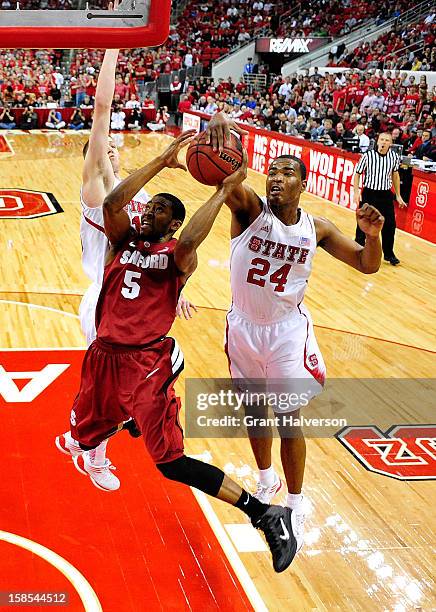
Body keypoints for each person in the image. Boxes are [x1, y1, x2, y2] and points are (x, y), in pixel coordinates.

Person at [57, 132, 298, 574]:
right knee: (82, 436)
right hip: (103, 358)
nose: (148, 212)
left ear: (172, 225)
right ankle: (119, 424)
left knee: (169, 463)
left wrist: (224, 190)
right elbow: (113, 204)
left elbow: (190, 242)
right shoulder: (120, 242)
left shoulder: (176, 257)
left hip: (147, 365)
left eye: (160, 211)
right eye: (148, 208)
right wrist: (162, 159)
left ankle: (263, 512)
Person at [206, 111, 385, 555]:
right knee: (253, 410)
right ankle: (265, 480)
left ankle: (296, 501)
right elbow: (227, 176)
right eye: (272, 171)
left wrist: (374, 235)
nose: (276, 178)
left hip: (287, 331)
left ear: (303, 184)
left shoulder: (317, 228)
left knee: (288, 419)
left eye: (287, 172)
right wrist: (221, 129)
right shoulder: (249, 210)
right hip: (243, 326)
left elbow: (367, 264)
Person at [55, 49, 194, 492]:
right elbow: (101, 110)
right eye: (102, 147)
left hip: (133, 299)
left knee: (145, 376)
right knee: (111, 392)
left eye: (114, 145)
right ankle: (92, 453)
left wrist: (175, 285)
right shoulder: (95, 192)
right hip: (102, 300)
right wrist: (113, 47)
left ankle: (96, 436)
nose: (109, 147)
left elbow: (157, 246)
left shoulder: (141, 192)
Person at [353, 132, 407, 266]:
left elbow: (395, 175)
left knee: (390, 225)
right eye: (382, 139)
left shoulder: (394, 157)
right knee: (363, 223)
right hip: (369, 193)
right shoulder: (367, 156)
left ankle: (389, 254)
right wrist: (356, 192)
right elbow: (357, 174)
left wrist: (398, 196)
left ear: (390, 143)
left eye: (387, 140)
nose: (383, 142)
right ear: (377, 141)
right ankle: (357, 248)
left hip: (385, 194)